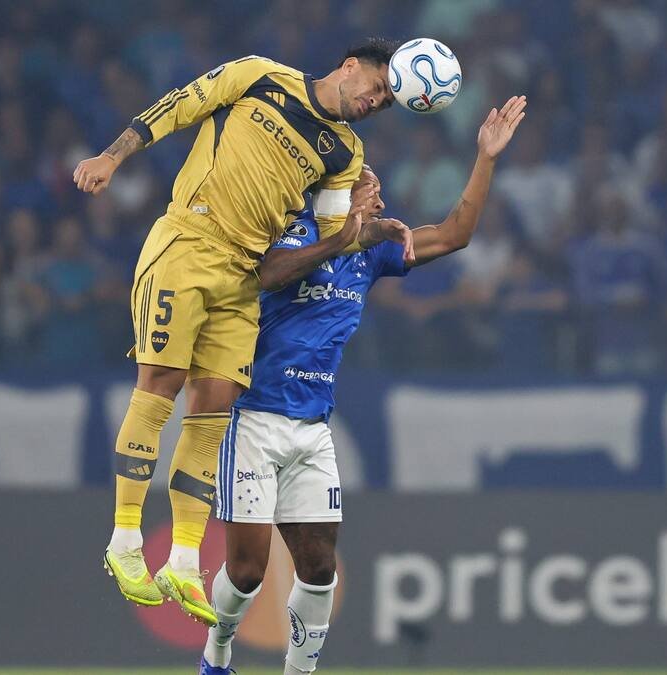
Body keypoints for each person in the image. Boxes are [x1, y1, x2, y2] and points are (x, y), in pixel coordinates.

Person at [73, 39, 407, 625]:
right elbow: (178, 106)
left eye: (383, 102)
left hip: (246, 277)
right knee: (161, 382)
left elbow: (329, 238)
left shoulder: (345, 153)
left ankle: (181, 561)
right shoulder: (261, 75)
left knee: (215, 408)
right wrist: (111, 157)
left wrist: (362, 231)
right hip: (188, 243)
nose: (375, 101)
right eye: (376, 86)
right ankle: (124, 541)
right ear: (349, 65)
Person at [201, 97, 526, 675]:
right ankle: (216, 656)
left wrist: (485, 158)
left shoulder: (373, 254)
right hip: (253, 419)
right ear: (335, 193)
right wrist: (338, 239)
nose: (377, 197)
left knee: (320, 566)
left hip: (313, 429)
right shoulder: (287, 231)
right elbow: (267, 275)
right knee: (248, 572)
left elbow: (454, 235)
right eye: (366, 187)